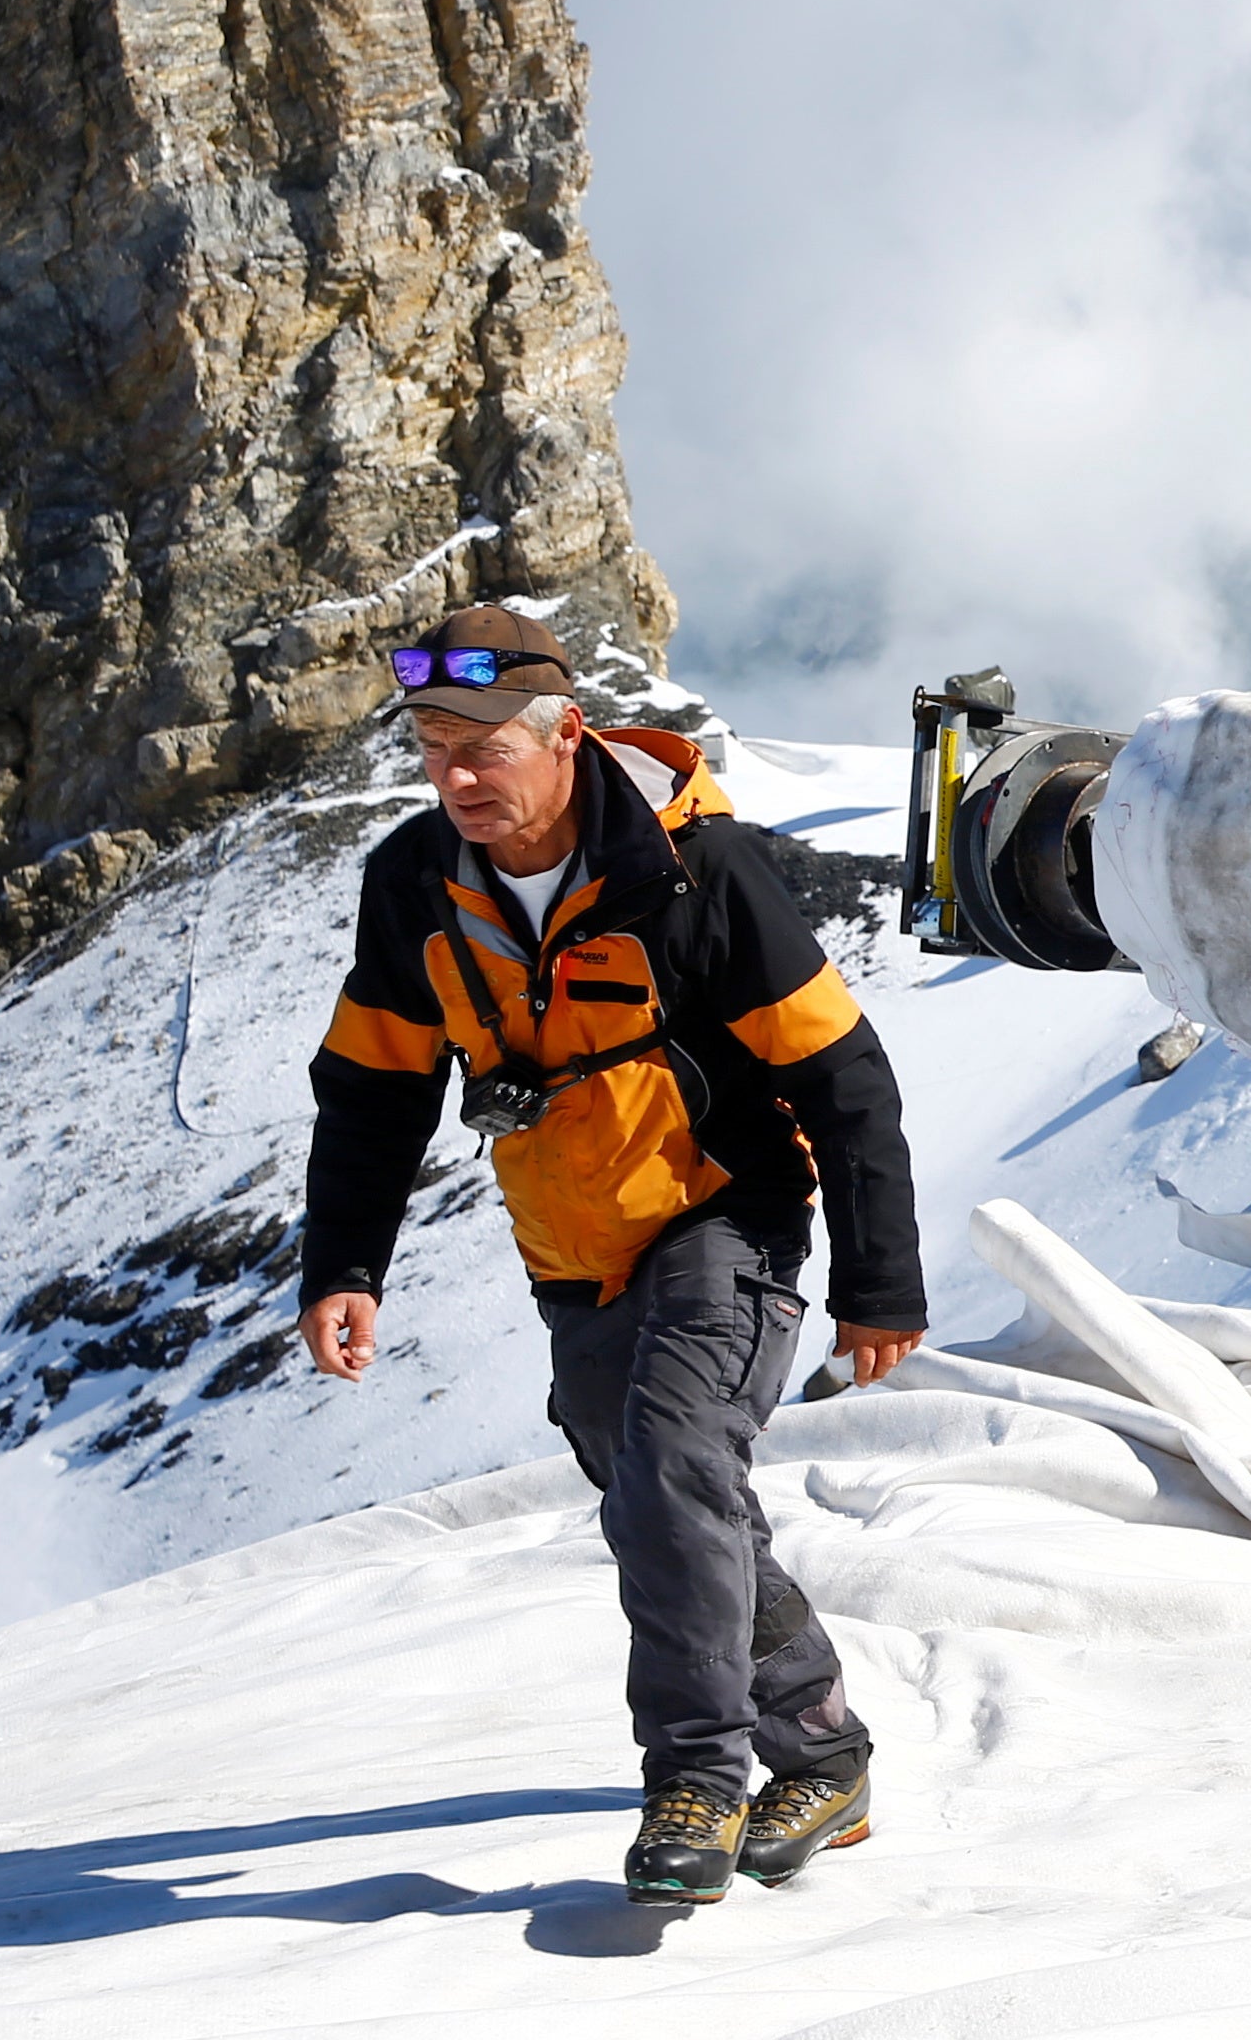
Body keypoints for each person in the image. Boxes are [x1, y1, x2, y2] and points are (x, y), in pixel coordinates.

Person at [298, 603, 927, 1906]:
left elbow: (843, 1080)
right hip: (574, 1243)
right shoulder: (416, 886)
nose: (457, 775)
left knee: (675, 1461)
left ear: (566, 735)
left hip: (724, 1214)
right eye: (432, 745)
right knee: (659, 1496)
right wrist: (346, 1265)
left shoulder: (701, 877)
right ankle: (827, 1754)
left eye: (484, 747)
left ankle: (697, 1783)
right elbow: (372, 1090)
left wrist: (879, 1282)